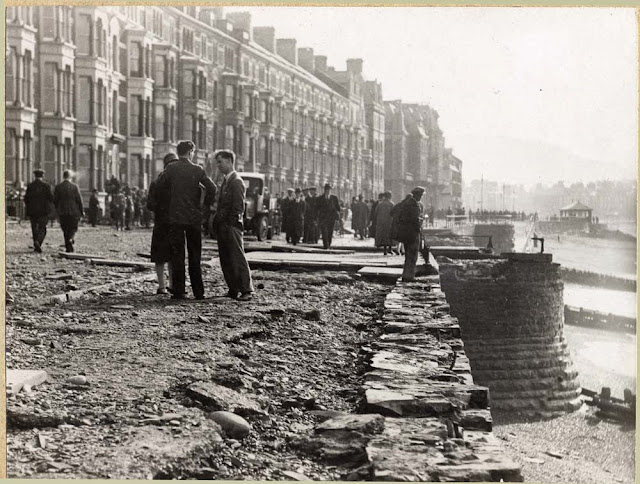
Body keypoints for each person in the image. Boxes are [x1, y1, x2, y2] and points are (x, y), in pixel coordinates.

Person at [157, 140, 217, 300]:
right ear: (191, 152)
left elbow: (159, 186)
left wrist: (169, 202)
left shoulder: (171, 168)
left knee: (177, 255)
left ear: (178, 153)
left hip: (175, 217)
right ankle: (199, 292)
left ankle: (179, 291)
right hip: (194, 218)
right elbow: (212, 188)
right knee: (195, 255)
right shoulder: (197, 169)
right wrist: (204, 207)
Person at [213, 149, 254, 301]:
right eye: (217, 162)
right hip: (224, 226)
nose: (218, 165)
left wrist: (229, 224)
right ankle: (233, 289)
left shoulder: (236, 181)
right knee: (226, 258)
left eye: (220, 162)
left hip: (232, 226)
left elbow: (238, 208)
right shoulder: (227, 181)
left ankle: (246, 290)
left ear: (230, 162)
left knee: (237, 257)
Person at [147, 153, 178, 294]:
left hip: (161, 222)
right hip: (175, 223)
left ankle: (162, 285)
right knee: (173, 255)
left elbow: (150, 205)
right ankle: (172, 284)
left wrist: (160, 208)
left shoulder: (156, 182)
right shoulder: (179, 184)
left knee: (160, 256)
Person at [395, 186, 425, 282]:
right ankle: (409, 276)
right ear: (416, 195)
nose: (421, 197)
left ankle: (407, 275)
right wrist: (419, 226)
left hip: (407, 233)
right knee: (412, 255)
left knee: (409, 255)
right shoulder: (413, 205)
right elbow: (414, 219)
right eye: (420, 195)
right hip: (412, 234)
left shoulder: (407, 203)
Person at [53, 170, 84, 253]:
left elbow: (55, 200)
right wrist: (82, 211)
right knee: (73, 228)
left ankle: (68, 245)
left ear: (63, 177)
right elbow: (79, 200)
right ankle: (71, 239)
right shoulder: (75, 187)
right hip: (74, 211)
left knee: (65, 228)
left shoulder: (58, 187)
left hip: (62, 212)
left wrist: (57, 211)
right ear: (70, 177)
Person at [24, 169, 54, 253]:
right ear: (42, 176)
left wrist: (29, 206)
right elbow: (51, 198)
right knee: (42, 228)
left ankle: (35, 242)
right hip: (43, 211)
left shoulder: (30, 186)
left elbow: (26, 198)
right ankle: (38, 242)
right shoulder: (46, 186)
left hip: (33, 211)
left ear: (35, 176)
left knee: (34, 227)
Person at [316, 183, 341, 249]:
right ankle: (325, 245)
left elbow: (338, 208)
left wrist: (337, 216)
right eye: (326, 190)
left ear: (330, 190)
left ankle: (329, 244)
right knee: (324, 231)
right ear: (324, 190)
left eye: (329, 190)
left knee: (330, 232)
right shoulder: (320, 198)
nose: (327, 191)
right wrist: (318, 217)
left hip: (331, 218)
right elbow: (316, 208)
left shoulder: (334, 198)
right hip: (323, 218)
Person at [374, 191, 395, 255]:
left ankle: (385, 250)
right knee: (389, 236)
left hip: (381, 223)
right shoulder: (392, 204)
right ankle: (390, 249)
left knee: (383, 236)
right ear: (390, 196)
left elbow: (376, 213)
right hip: (389, 222)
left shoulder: (380, 204)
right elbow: (394, 213)